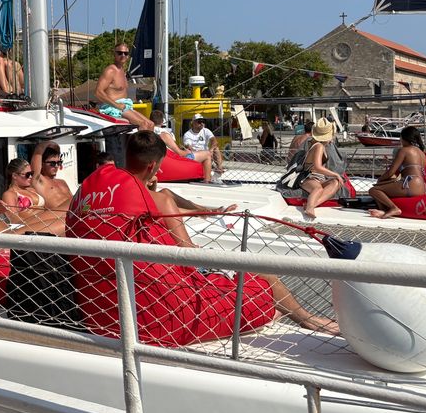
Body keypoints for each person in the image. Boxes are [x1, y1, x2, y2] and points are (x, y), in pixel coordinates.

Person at [96, 131, 338, 333]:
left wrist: (204, 211)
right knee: (265, 277)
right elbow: (188, 253)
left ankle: (269, 312)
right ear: (152, 166)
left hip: (108, 300)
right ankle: (309, 321)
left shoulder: (104, 192)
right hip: (168, 304)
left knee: (263, 298)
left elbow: (165, 201)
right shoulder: (157, 200)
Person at [0, 158, 65, 235]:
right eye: (27, 174)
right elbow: (14, 220)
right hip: (30, 227)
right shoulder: (10, 194)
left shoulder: (32, 190)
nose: (31, 177)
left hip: (46, 222)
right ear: (15, 176)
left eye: (32, 173)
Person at [367, 125, 426, 219]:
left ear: (403, 138)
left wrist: (379, 180)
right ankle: (383, 211)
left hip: (411, 184)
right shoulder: (422, 153)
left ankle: (393, 208)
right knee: (383, 187)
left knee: (374, 190)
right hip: (423, 187)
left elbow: (390, 172)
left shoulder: (404, 150)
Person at [94, 44, 154, 131]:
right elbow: (98, 92)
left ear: (128, 56)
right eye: (120, 53)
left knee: (151, 124)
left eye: (125, 53)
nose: (123, 55)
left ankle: (149, 144)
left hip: (124, 107)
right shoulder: (110, 70)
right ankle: (141, 144)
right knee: (144, 124)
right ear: (114, 54)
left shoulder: (123, 71)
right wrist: (117, 105)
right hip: (113, 108)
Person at [149, 110, 212, 182]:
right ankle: (207, 180)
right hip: (172, 163)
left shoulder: (148, 133)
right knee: (207, 154)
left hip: (159, 163)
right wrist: (187, 152)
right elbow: (179, 153)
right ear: (162, 121)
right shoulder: (163, 134)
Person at [300, 118, 343, 220]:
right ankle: (310, 208)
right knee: (318, 189)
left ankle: (311, 205)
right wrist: (336, 174)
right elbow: (318, 167)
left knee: (336, 183)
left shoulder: (315, 144)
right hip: (308, 177)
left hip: (317, 178)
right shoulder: (319, 146)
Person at [31, 140, 74, 209]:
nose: (56, 166)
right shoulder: (39, 181)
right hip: (58, 216)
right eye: (52, 163)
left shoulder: (62, 182)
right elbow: (37, 153)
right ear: (42, 164)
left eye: (59, 162)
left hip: (75, 214)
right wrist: (50, 143)